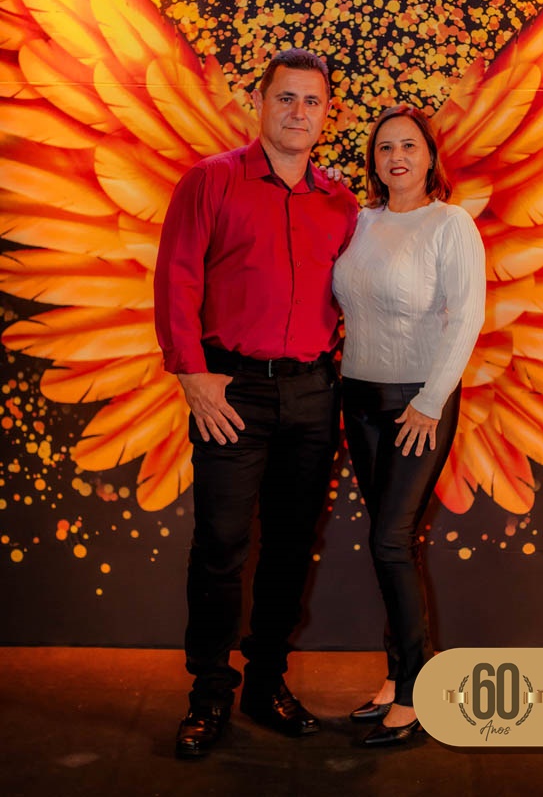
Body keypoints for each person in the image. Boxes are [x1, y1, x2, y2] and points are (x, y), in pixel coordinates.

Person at [154, 49, 357, 758]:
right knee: (220, 547)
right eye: (286, 98)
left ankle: (265, 682)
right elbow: (176, 279)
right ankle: (209, 695)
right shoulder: (211, 181)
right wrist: (193, 374)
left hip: (313, 394)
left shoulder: (341, 204)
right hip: (230, 392)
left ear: (327, 115)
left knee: (291, 547)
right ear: (261, 103)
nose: (299, 112)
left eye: (312, 102)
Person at [332, 104, 486, 747]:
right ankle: (398, 676)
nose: (396, 157)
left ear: (430, 157)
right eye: (385, 147)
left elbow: (467, 316)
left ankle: (417, 691)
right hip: (358, 398)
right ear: (374, 160)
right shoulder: (360, 221)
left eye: (409, 146)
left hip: (418, 403)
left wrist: (430, 401)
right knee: (390, 542)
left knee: (390, 542)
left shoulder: (450, 224)